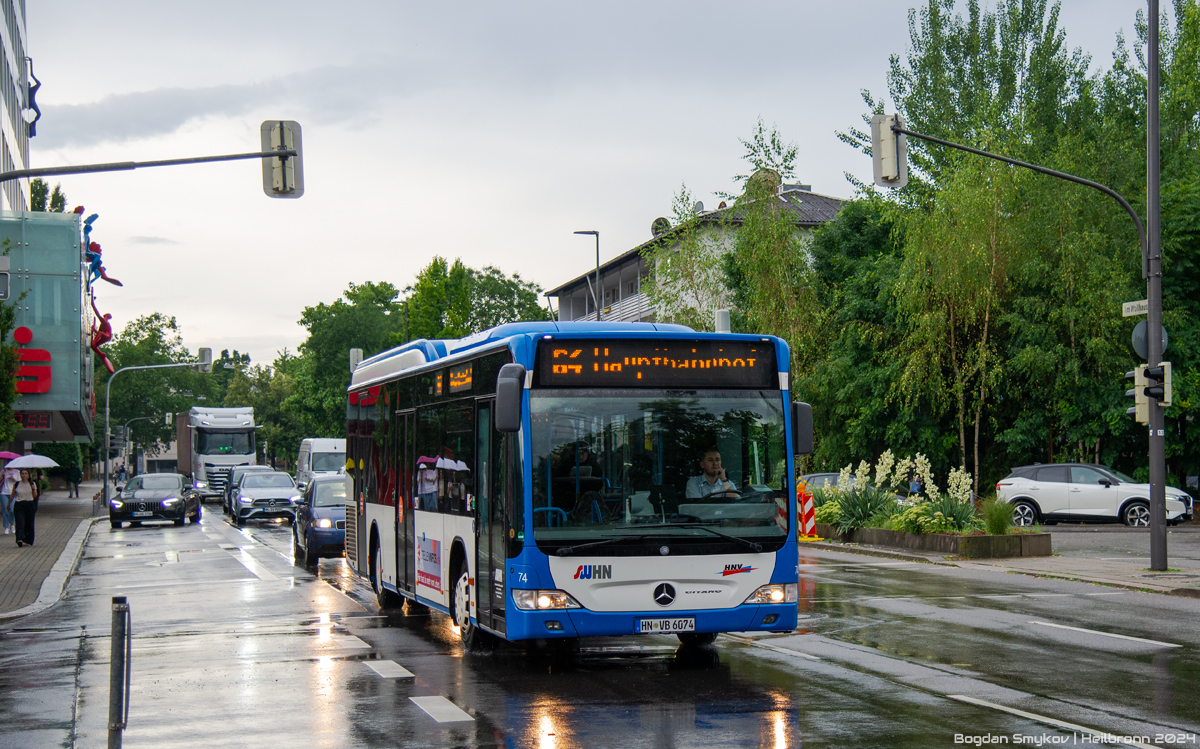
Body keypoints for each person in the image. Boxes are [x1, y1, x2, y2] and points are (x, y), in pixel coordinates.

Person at [13, 468, 39, 548]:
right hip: (19, 504)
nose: (23, 475)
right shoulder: (17, 484)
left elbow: (35, 496)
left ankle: (28, 540)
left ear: (28, 475)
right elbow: (12, 494)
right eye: (22, 473)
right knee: (20, 522)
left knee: (29, 523)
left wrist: (33, 488)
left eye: (25, 473)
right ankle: (19, 539)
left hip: (29, 504)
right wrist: (8, 504)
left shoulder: (32, 483)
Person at [0, 465, 17, 535]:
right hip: (3, 492)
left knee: (12, 509)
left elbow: (18, 481)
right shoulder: (3, 471)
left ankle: (12, 525)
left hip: (12, 492)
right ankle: (6, 527)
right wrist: (2, 475)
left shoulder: (16, 472)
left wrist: (12, 478)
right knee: (5, 510)